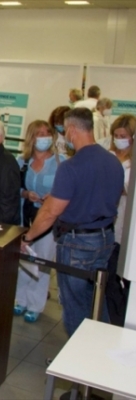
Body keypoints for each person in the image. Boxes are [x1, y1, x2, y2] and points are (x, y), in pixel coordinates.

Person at [21, 108, 123, 337]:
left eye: (66, 130)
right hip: (106, 237)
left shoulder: (71, 166)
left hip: (77, 242)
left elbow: (49, 213)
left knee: (74, 303)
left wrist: (27, 237)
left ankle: (78, 359)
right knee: (97, 297)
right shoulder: (112, 161)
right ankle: (102, 346)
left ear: (73, 130)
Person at [14, 121, 65, 323]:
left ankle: (35, 304)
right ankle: (20, 300)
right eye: (38, 134)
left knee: (42, 261)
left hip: (48, 221)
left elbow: (66, 191)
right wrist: (26, 193)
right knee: (23, 258)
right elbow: (14, 188)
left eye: (46, 133)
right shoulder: (22, 162)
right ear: (31, 137)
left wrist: (52, 197)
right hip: (26, 216)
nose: (43, 137)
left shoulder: (61, 163)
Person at [105, 114, 135, 326]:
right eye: (116, 135)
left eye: (123, 136)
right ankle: (111, 318)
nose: (119, 139)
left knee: (123, 278)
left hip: (127, 225)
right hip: (108, 225)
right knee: (109, 278)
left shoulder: (132, 161)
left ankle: (123, 319)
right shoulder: (108, 155)